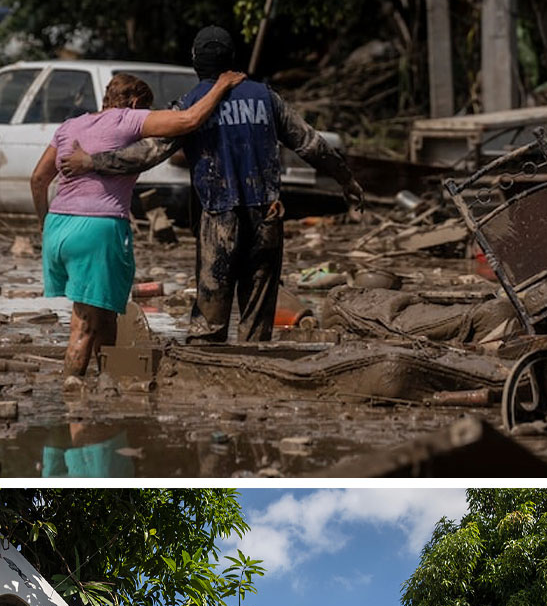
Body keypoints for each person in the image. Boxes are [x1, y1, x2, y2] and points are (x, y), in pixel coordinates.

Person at [62, 26, 364, 345]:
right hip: (267, 216)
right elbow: (311, 143)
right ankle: (256, 377)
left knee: (209, 321)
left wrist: (92, 162)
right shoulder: (265, 97)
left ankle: (206, 381)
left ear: (196, 62)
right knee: (257, 315)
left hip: (218, 218)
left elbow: (148, 153)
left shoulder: (192, 104)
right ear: (231, 59)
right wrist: (347, 180)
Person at [30, 69, 245, 377]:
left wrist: (44, 224)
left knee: (105, 315)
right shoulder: (128, 120)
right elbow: (188, 121)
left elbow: (38, 180)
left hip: (58, 228)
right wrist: (221, 85)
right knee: (84, 326)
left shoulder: (70, 125)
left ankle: (108, 385)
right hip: (97, 229)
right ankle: (72, 402)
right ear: (133, 102)